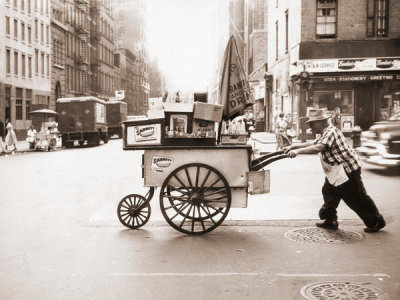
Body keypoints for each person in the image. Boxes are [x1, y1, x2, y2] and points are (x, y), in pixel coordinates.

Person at [284, 109, 386, 233]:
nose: (310, 127)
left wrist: (297, 152)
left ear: (320, 122)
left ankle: (376, 221)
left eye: (312, 124)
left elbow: (318, 147)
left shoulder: (331, 131)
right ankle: (330, 220)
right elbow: (314, 143)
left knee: (357, 197)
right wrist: (294, 146)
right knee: (329, 191)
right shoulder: (325, 133)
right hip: (337, 170)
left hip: (348, 169)